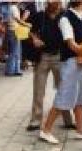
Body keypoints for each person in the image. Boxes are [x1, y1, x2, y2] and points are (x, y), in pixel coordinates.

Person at [39, 0, 82, 144]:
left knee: (81, 97)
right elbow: (71, 43)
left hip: (81, 63)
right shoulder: (65, 18)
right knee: (64, 95)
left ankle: (80, 130)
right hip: (70, 63)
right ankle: (46, 130)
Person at [27, 0, 75, 131]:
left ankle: (67, 119)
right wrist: (35, 39)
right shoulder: (40, 15)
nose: (52, 5)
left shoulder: (65, 16)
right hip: (42, 56)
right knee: (38, 90)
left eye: (55, 3)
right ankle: (35, 120)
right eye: (50, 3)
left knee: (63, 88)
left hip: (59, 56)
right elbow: (30, 31)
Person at [5, 1, 30, 76]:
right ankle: (11, 71)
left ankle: (15, 70)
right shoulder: (14, 8)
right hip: (14, 31)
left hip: (13, 30)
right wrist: (26, 23)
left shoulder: (12, 8)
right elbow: (18, 20)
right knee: (14, 51)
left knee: (16, 51)